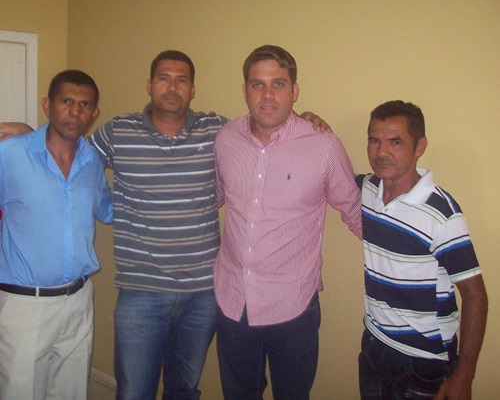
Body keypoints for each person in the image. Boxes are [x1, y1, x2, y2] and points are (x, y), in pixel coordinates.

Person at [0, 50, 329, 400]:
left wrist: (303, 120)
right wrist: (29, 135)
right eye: (163, 78)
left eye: (181, 80)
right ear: (149, 85)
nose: (172, 87)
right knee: (133, 392)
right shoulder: (117, 132)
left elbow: (265, 124)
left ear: (192, 90)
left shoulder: (218, 131)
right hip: (140, 292)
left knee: (184, 390)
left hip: (202, 294)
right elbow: (67, 146)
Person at [213, 45, 362, 399]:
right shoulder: (225, 139)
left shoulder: (324, 146)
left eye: (278, 84)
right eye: (257, 84)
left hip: (293, 305)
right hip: (233, 301)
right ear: (245, 90)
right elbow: (214, 197)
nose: (267, 95)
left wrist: (403, 254)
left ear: (294, 91)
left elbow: (355, 210)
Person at [356, 100, 488, 399]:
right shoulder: (368, 189)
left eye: (395, 142)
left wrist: (464, 375)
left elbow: (475, 295)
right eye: (374, 141)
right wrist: (305, 121)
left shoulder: (442, 214)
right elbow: (329, 172)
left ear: (420, 146)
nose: (381, 152)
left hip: (423, 360)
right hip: (374, 344)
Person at [0, 70, 113, 400]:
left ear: (94, 113)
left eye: (85, 104)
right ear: (47, 105)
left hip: (78, 300)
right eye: (66, 101)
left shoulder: (92, 162)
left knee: (71, 392)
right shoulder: (11, 154)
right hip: (25, 305)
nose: (75, 111)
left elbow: (109, 210)